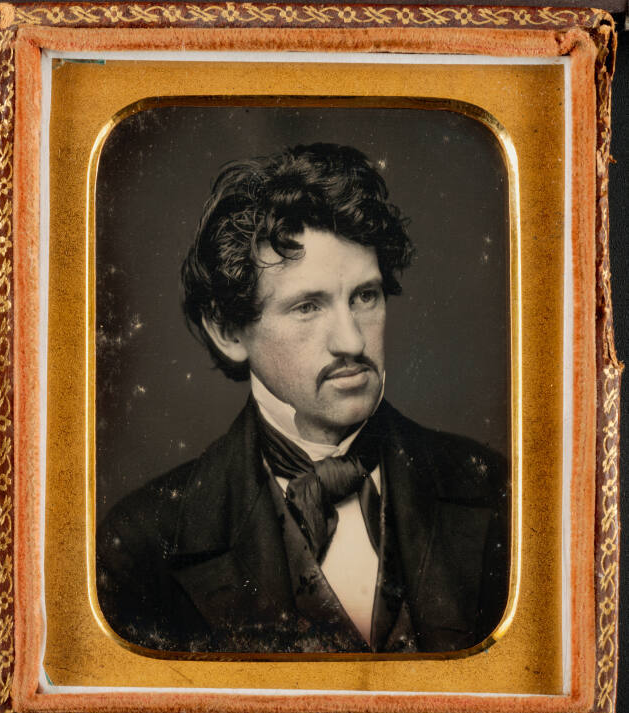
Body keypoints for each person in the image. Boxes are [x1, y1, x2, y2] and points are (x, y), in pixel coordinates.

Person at [96, 143, 509, 654]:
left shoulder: (497, 491)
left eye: (365, 296)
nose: (352, 342)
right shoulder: (140, 545)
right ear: (228, 331)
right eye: (308, 306)